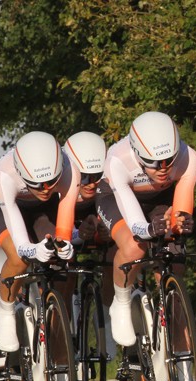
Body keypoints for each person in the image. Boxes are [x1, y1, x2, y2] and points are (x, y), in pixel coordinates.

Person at [96, 111, 196, 348]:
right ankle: (121, 302)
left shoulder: (188, 156)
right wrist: (151, 229)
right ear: (137, 154)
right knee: (134, 247)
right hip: (116, 198)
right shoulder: (118, 159)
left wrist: (179, 223)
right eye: (153, 162)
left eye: (169, 160)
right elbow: (136, 225)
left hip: (160, 197)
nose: (163, 168)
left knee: (175, 255)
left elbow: (181, 209)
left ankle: (179, 346)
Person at [0, 131, 79, 352]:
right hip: (2, 206)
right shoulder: (4, 173)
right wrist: (32, 250)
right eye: (37, 184)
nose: (45, 189)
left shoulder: (70, 169)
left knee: (61, 256)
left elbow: (65, 219)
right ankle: (5, 311)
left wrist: (63, 243)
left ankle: (56, 324)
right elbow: (21, 242)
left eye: (51, 182)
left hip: (44, 209)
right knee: (18, 257)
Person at [63, 130, 116, 360]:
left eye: (98, 176)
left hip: (96, 228)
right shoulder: (62, 186)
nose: (92, 183)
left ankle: (104, 314)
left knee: (114, 257)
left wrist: (109, 231)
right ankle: (63, 326)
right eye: (85, 177)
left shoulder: (106, 185)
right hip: (68, 229)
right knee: (63, 269)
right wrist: (78, 234)